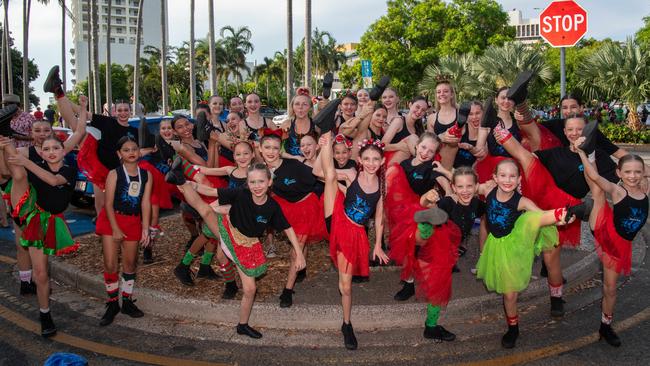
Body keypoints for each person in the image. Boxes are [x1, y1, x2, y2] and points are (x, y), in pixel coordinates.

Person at [166, 163, 306, 339]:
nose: (257, 186)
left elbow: (288, 228)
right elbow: (211, 192)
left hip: (247, 244)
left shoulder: (272, 207)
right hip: (228, 230)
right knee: (206, 211)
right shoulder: (241, 193)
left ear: (269, 182)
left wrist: (299, 254)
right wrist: (192, 185)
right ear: (247, 183)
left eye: (261, 181)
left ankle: (242, 325)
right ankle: (180, 181)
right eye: (252, 182)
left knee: (250, 289)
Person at [0, 98, 86, 336]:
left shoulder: (68, 167)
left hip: (53, 218)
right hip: (33, 213)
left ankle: (4, 135)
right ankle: (45, 313)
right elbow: (8, 172)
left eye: (55, 148)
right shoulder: (27, 155)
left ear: (63, 150)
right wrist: (6, 147)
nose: (50, 152)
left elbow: (52, 179)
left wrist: (82, 107)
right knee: (41, 273)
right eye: (46, 149)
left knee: (20, 171)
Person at [476, 159, 570, 349]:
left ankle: (563, 213)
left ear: (519, 179)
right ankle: (513, 327)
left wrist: (557, 220)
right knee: (507, 294)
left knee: (510, 294)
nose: (507, 180)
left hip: (515, 245)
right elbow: (466, 185)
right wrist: (445, 172)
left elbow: (540, 216)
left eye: (512, 176)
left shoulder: (522, 201)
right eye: (503, 175)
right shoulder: (487, 190)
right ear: (495, 177)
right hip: (496, 246)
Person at [319, 132, 389, 350]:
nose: (370, 163)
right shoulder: (351, 173)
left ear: (382, 161)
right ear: (359, 159)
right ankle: (325, 136)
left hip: (356, 232)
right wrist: (326, 146)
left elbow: (378, 219)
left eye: (375, 159)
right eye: (366, 159)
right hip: (338, 217)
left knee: (346, 287)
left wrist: (377, 244)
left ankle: (345, 323)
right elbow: (320, 171)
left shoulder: (381, 186)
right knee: (330, 176)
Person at [573, 143, 648, 347]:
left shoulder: (645, 188)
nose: (632, 176)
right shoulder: (617, 190)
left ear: (644, 173)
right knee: (611, 288)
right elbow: (596, 178)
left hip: (624, 240)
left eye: (637, 172)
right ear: (619, 173)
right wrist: (581, 154)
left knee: (610, 288)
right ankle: (606, 326)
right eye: (628, 172)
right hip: (608, 235)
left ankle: (605, 325)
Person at [412, 167, 493, 341]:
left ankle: (431, 324)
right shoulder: (448, 202)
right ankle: (430, 328)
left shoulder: (477, 204)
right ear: (453, 187)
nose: (465, 191)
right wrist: (427, 198)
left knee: (437, 287)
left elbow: (493, 207)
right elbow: (425, 204)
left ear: (476, 186)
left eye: (469, 186)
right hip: (433, 247)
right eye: (461, 187)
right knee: (437, 289)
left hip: (449, 251)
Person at [259, 133, 327, 308]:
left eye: (275, 148)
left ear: (280, 150)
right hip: (286, 208)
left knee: (295, 250)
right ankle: (301, 269)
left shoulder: (294, 165)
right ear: (260, 149)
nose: (271, 151)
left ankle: (287, 291)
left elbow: (319, 175)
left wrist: (342, 182)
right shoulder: (261, 171)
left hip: (306, 208)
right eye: (267, 147)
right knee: (299, 245)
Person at [386, 133, 451, 301]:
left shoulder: (431, 167)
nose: (425, 153)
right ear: (416, 146)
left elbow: (442, 180)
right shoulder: (405, 164)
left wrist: (449, 192)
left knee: (416, 249)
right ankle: (409, 283)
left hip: (421, 214)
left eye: (430, 151)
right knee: (408, 249)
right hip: (401, 213)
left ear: (434, 154)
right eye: (423, 147)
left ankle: (419, 282)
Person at [95, 136, 152, 326]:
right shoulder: (114, 173)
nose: (131, 153)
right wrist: (116, 229)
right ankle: (112, 303)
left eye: (134, 149)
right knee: (111, 264)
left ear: (139, 151)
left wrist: (146, 228)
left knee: (130, 263)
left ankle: (126, 301)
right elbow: (108, 204)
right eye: (126, 150)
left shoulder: (146, 175)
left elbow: (145, 202)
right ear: (119, 154)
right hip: (112, 221)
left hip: (133, 221)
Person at [381, 96, 427, 166]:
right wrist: (398, 146)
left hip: (409, 164)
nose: (419, 111)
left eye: (423, 110)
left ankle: (424, 165)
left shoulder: (419, 128)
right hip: (393, 162)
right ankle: (426, 164)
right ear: (410, 105)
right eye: (417, 107)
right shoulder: (399, 121)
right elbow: (382, 145)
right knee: (412, 138)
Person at [279, 93, 316, 159]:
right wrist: (294, 157)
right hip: (289, 165)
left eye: (304, 104)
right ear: (292, 107)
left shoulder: (316, 126)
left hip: (310, 166)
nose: (300, 107)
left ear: (310, 107)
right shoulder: (286, 125)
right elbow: (276, 149)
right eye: (297, 104)